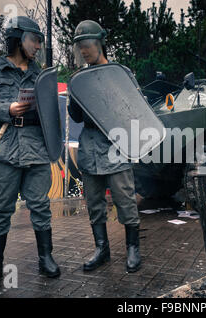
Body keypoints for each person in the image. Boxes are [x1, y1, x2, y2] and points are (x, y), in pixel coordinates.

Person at [0, 16, 60, 289]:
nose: (37, 46)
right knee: (0, 209)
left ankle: (46, 258)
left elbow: (53, 114)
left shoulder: (41, 75)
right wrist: (6, 109)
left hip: (36, 150)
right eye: (34, 40)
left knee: (41, 207)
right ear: (19, 39)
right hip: (6, 147)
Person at [68, 20, 141, 273]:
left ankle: (133, 248)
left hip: (117, 146)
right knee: (94, 203)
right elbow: (76, 117)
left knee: (125, 200)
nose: (84, 51)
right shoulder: (79, 78)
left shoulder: (121, 73)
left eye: (87, 45)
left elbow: (135, 110)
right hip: (90, 149)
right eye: (80, 47)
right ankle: (102, 249)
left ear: (100, 44)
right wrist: (74, 93)